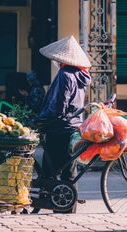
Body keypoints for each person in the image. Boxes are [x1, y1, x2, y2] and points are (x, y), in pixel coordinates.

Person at [36, 35, 91, 213]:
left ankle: (53, 203)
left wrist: (44, 120)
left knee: (51, 168)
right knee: (69, 169)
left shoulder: (64, 74)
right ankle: (68, 207)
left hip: (59, 128)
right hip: (74, 128)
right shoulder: (81, 75)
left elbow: (59, 106)